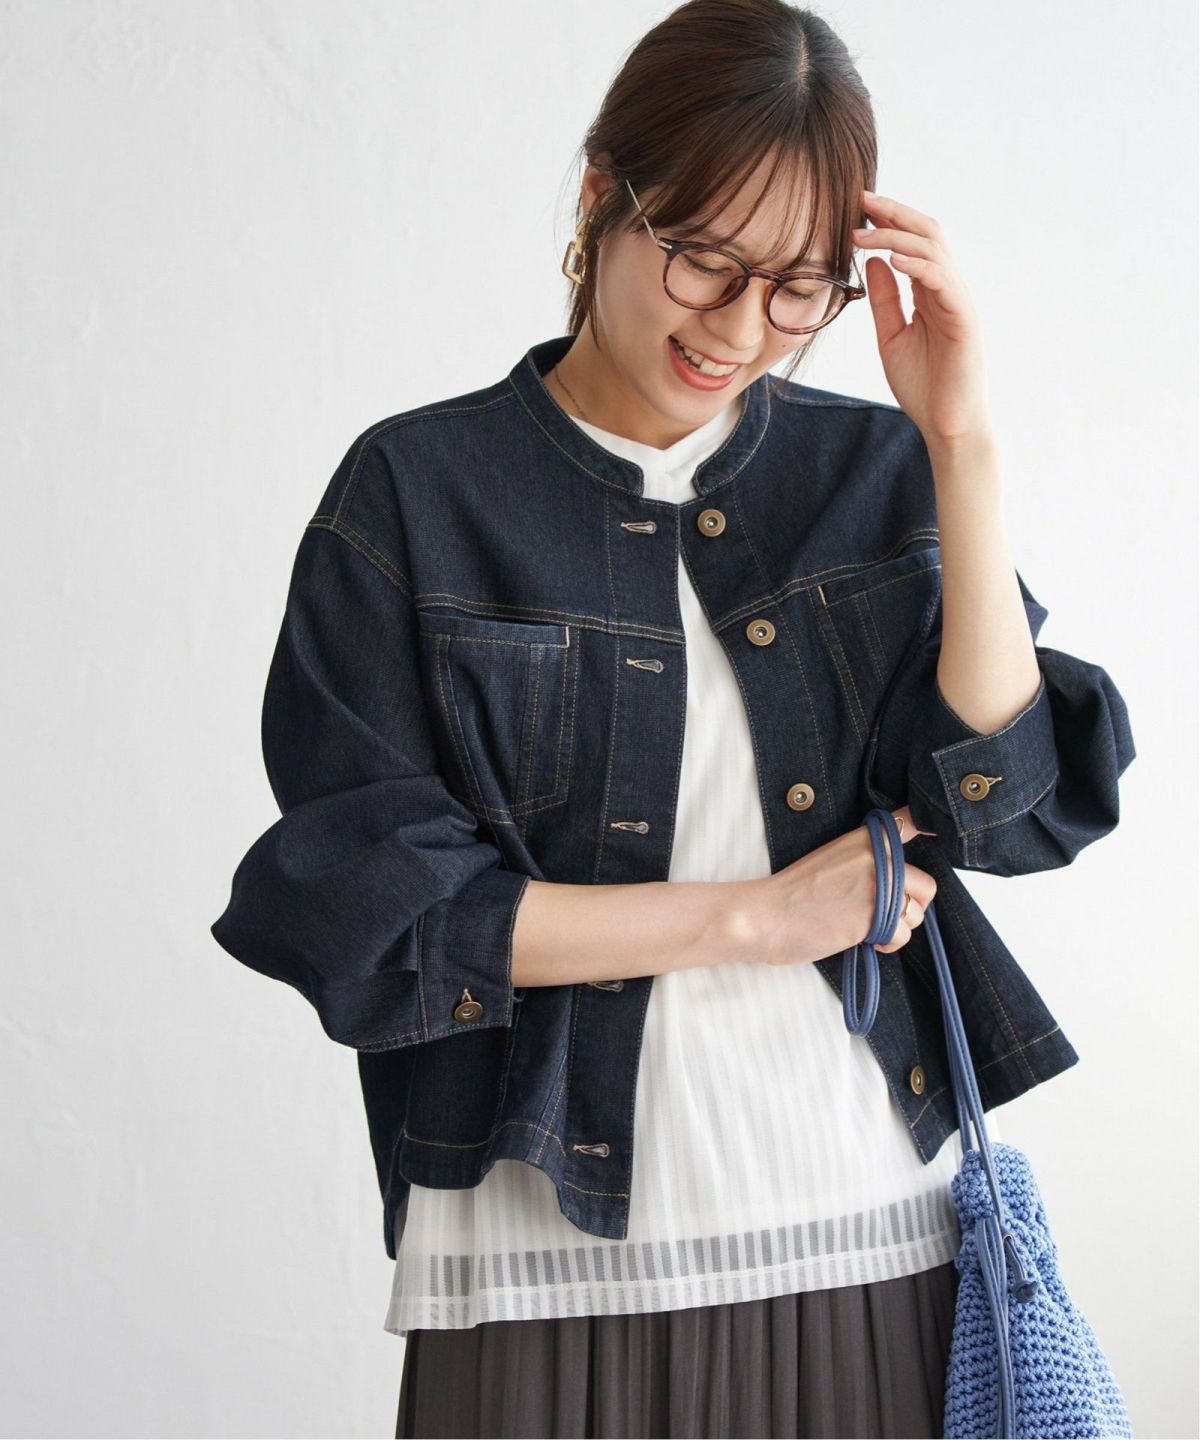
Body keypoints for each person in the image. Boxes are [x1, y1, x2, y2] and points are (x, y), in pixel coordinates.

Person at [209, 1, 1136, 1436]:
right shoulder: (414, 496)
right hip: (537, 1260)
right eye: (705, 261)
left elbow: (1000, 808)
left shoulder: (872, 473)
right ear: (602, 195)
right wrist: (754, 919)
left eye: (799, 293)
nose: (741, 330)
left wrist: (959, 440)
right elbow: (382, 914)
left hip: (865, 1225)